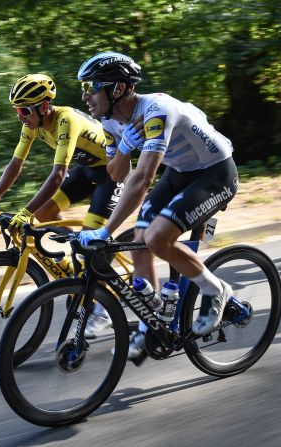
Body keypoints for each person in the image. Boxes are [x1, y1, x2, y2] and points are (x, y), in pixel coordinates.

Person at [76, 52, 239, 358]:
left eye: (92, 87)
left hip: (215, 173)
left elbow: (142, 179)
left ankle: (215, 289)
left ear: (118, 89)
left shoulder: (155, 111)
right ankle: (151, 321)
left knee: (157, 238)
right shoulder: (109, 119)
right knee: (140, 241)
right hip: (180, 173)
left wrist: (105, 231)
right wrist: (124, 148)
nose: (85, 96)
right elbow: (117, 174)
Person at [0, 73, 125, 254]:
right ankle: (79, 254)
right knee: (44, 212)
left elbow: (58, 175)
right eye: (17, 110)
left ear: (44, 106)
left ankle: (97, 271)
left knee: (89, 243)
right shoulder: (32, 125)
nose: (20, 117)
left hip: (112, 174)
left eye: (24, 111)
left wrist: (25, 213)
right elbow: (15, 164)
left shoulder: (66, 119)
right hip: (86, 169)